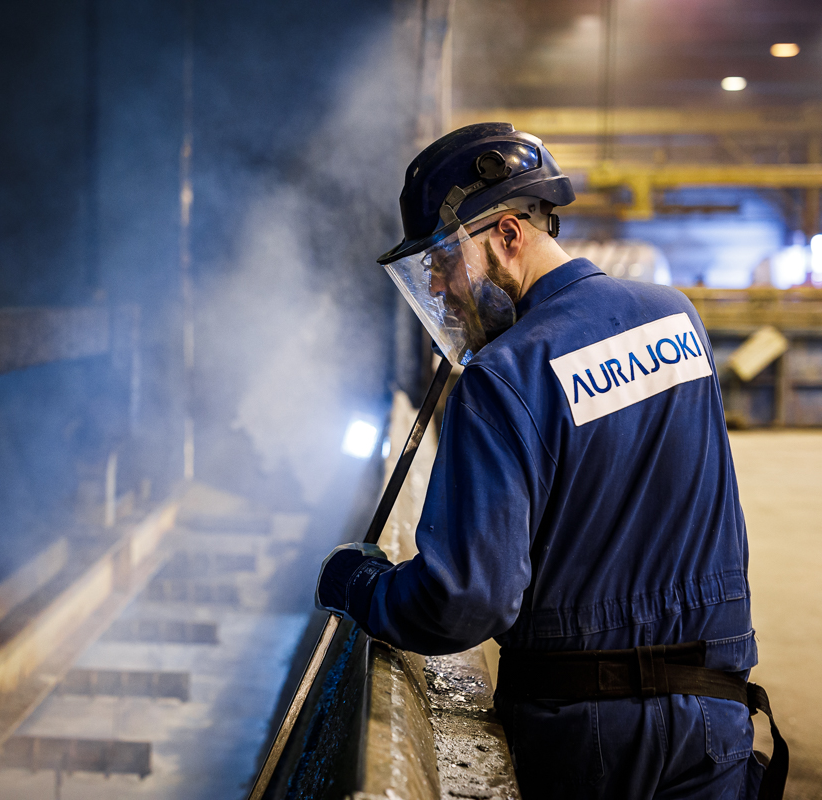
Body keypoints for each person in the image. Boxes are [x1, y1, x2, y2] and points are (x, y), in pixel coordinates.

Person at [315, 123, 785, 799]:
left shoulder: (503, 376)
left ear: (507, 233)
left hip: (586, 737)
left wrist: (362, 586)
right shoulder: (676, 320)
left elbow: (465, 600)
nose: (438, 288)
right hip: (715, 720)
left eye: (442, 260)